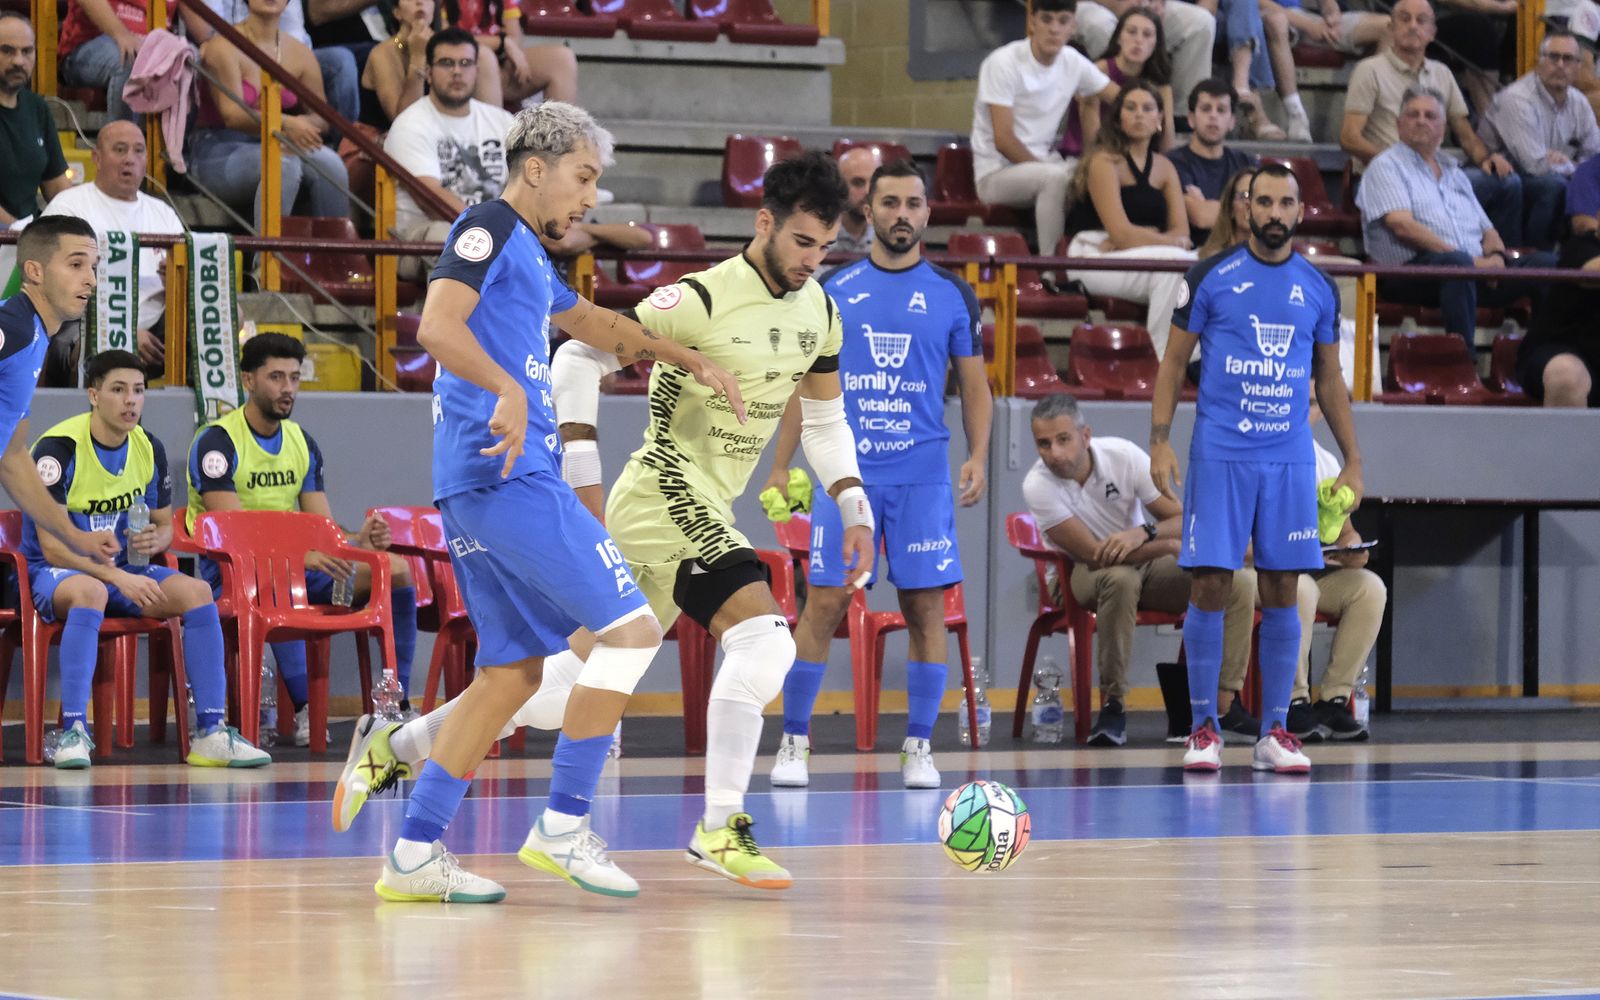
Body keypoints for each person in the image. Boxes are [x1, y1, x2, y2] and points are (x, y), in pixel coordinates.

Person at [342, 102, 743, 904]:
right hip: (507, 475)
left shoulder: (525, 248)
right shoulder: (485, 225)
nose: (590, 198)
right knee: (630, 631)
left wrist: (677, 354)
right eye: (584, 177)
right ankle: (562, 825)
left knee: (512, 673)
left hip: (480, 484)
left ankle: (414, 851)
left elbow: (588, 321)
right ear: (537, 167)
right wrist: (506, 390)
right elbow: (436, 328)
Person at [759, 157, 993, 787]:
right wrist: (780, 464)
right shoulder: (834, 290)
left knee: (925, 609)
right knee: (826, 603)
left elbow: (976, 388)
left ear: (927, 212)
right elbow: (802, 389)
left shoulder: (953, 293)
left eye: (914, 204)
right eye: (890, 203)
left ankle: (918, 746)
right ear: (869, 211)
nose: (902, 215)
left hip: (922, 481)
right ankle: (794, 743)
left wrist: (976, 455)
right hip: (848, 481)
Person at [1149, 162, 1363, 774]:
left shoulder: (1319, 287)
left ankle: (1275, 731)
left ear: (1300, 211)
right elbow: (1171, 365)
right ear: (1244, 208)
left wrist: (1353, 458)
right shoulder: (1209, 277)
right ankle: (1202, 729)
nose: (1273, 212)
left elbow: (1330, 379)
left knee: (1282, 587)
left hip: (1288, 458)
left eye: (1285, 202)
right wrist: (1160, 440)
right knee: (1212, 581)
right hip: (1220, 453)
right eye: (1262, 201)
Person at [24, 351, 272, 769]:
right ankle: (72, 731)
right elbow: (51, 547)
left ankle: (211, 732)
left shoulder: (149, 448)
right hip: (62, 572)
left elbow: (164, 528)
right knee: (90, 592)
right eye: (118, 390)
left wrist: (153, 538)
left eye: (138, 391)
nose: (130, 401)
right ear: (93, 394)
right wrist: (114, 577)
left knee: (195, 591)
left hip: (125, 573)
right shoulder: (57, 449)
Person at [186, 333, 422, 739]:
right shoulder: (217, 442)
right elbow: (233, 533)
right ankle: (303, 707)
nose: (287, 388)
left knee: (395, 570)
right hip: (231, 573)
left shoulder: (302, 442)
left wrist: (359, 541)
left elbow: (321, 527)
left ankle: (393, 702)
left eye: (294, 378)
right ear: (248, 381)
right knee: (282, 583)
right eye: (276, 377)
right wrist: (298, 557)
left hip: (296, 566)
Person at [1023, 393, 1263, 745]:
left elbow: (1181, 519)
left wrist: (1144, 532)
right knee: (1118, 580)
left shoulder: (1122, 455)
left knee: (1235, 582)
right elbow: (1094, 555)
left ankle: (1225, 706)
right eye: (1043, 444)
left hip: (1143, 560)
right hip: (1077, 574)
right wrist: (1162, 546)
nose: (1054, 453)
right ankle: (1113, 706)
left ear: (1085, 435)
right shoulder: (1037, 484)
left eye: (1063, 440)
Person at [1357, 86, 1555, 351]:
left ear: (1443, 127)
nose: (1421, 121)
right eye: (1413, 115)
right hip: (1410, 273)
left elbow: (1487, 228)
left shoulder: (1455, 172)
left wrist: (1496, 257)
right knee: (1457, 264)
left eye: (1430, 116)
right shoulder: (1385, 166)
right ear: (1398, 124)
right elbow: (1402, 226)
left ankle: (1545, 353)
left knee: (1548, 264)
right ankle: (1462, 363)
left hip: (1469, 272)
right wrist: (1474, 263)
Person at [1339, 0, 1522, 243]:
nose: (1413, 26)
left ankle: (1504, 266)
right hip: (1388, 179)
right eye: (1404, 19)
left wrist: (1487, 158)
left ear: (1433, 33)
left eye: (1421, 20)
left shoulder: (1441, 73)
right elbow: (1349, 138)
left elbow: (1466, 135)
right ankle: (1459, 260)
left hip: (1435, 179)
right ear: (1391, 28)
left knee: (1509, 183)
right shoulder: (1369, 70)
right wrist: (1398, 166)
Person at [0, 218, 124, 561]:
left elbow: (11, 455)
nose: (91, 279)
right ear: (34, 271)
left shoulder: (33, 334)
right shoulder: (15, 330)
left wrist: (74, 536)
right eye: (75, 265)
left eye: (93, 267)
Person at [970, 0, 1116, 261]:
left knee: (1100, 172)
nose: (1054, 29)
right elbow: (1004, 141)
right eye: (1047, 19)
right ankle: (1051, 268)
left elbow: (1121, 99)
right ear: (1032, 22)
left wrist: (1154, 112)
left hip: (1045, 165)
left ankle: (1098, 256)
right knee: (1056, 179)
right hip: (995, 173)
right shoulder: (1002, 62)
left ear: (1073, 26)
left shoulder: (1073, 61)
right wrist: (1050, 172)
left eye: (1062, 21)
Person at [1062, 80, 1196, 361]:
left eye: (1148, 108)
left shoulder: (1165, 167)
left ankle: (1191, 355)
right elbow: (1121, 233)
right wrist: (1164, 239)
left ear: (1160, 119)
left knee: (1198, 264)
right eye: (1130, 108)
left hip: (1141, 253)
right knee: (1174, 265)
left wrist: (1146, 237)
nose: (1139, 114)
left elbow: (1182, 231)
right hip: (1092, 253)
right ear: (1118, 116)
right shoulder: (1104, 161)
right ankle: (1165, 358)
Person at [190, 0, 351, 228]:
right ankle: (266, 261)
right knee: (282, 164)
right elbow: (232, 115)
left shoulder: (300, 53)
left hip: (274, 140)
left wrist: (303, 123)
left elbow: (321, 117)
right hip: (219, 145)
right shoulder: (223, 46)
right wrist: (287, 123)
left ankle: (336, 258)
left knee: (331, 163)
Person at [40, 121, 186, 373]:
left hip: (158, 330)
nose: (130, 159)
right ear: (96, 158)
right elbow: (53, 287)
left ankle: (202, 410)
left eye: (138, 151)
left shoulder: (164, 214)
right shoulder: (68, 207)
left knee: (224, 318)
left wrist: (177, 280)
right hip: (89, 322)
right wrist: (124, 331)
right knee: (71, 333)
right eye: (119, 149)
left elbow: (187, 282)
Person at [1284, 396, 1383, 742]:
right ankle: (1293, 701)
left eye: (1315, 403)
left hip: (1314, 566)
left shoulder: (1325, 461)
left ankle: (1334, 699)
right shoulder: (1262, 451)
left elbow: (1345, 529)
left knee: (1369, 588)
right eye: (1304, 400)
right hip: (1262, 569)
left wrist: (1352, 549)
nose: (1309, 409)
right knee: (1301, 589)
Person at [382, 27, 513, 273]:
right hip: (419, 234)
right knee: (453, 239)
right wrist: (493, 231)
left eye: (465, 63)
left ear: (476, 71)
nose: (457, 71)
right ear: (429, 73)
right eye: (446, 63)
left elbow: (526, 184)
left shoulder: (502, 121)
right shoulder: (411, 124)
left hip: (493, 233)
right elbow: (430, 198)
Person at [1476, 30, 1600, 250]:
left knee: (1579, 183)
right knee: (1553, 185)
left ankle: (1580, 255)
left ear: (1578, 67)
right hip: (1502, 175)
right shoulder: (1518, 99)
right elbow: (1536, 166)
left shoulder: (1579, 102)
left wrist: (1569, 165)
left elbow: (1595, 157)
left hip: (1549, 174)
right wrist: (1574, 167)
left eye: (1568, 58)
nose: (1560, 65)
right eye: (1553, 57)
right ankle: (1537, 262)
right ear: (1538, 62)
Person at [185, 0, 361, 128]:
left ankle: (342, 146)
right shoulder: (223, 47)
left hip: (277, 52)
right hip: (231, 54)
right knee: (287, 165)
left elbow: (296, 35)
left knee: (340, 61)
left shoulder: (296, 48)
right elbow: (209, 34)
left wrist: (281, 56)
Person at [1059, 6, 1176, 157]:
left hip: (1138, 158)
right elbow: (1092, 146)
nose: (1139, 40)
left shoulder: (1160, 85)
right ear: (1119, 37)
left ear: (1156, 44)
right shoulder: (1097, 73)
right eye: (1131, 32)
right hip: (1087, 156)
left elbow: (1168, 146)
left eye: (1147, 35)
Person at [1074, 0, 1215, 120]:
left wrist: (1157, 2)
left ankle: (1183, 117)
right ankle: (1120, 111)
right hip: (1088, 5)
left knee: (1201, 22)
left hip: (1142, 3)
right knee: (1102, 27)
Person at [1167, 79, 1257, 248]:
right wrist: (1239, 206)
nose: (1213, 116)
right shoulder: (1172, 163)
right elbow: (1200, 217)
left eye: (1221, 110)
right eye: (1206, 109)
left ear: (1232, 122)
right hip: (1191, 257)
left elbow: (1261, 215)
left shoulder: (1247, 163)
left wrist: (1208, 206)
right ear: (1191, 119)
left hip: (1240, 253)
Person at [0, 14, 72, 226]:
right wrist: (19, 233)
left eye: (27, 51)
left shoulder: (37, 108)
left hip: (27, 236)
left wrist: (82, 220)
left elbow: (57, 187)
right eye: (7, 50)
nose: (18, 61)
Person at [1516, 225, 1600, 406]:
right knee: (1566, 375)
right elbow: (1591, 274)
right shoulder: (1581, 248)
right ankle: (1564, 435)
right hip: (1563, 350)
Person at [1196, 164, 1258, 257]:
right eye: (1244, 196)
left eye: (1256, 196)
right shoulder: (1211, 259)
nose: (1249, 203)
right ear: (1230, 208)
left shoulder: (1277, 260)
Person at [832, 146, 877, 258]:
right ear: (839, 187)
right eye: (858, 183)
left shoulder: (889, 240)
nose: (868, 191)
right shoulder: (818, 239)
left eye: (873, 183)